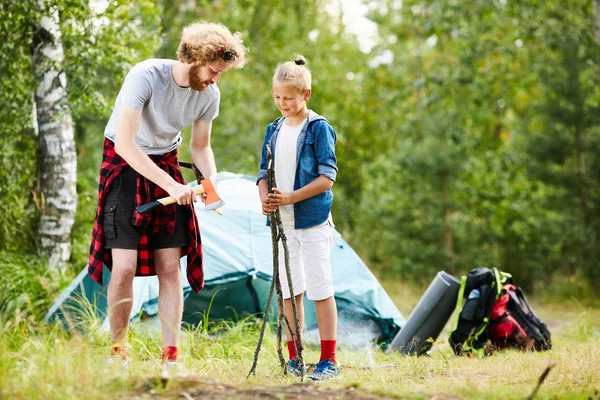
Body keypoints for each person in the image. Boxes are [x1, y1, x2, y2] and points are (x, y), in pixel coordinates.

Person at [88, 22, 247, 368]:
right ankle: (118, 355)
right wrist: (173, 186)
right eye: (212, 71)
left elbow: (200, 147)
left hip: (166, 163)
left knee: (170, 268)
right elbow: (126, 144)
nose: (215, 80)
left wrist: (209, 183)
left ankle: (170, 357)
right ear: (194, 57)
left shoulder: (210, 95)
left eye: (222, 74)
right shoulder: (145, 76)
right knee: (124, 267)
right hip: (124, 165)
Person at [257, 55, 341, 381]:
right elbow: (263, 173)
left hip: (313, 220)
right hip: (282, 224)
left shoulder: (319, 128)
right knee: (289, 291)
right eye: (277, 98)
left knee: (320, 287)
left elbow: (327, 178)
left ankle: (329, 359)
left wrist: (292, 197)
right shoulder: (273, 129)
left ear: (306, 94)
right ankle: (295, 358)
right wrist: (265, 199)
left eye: (289, 98)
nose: (282, 104)